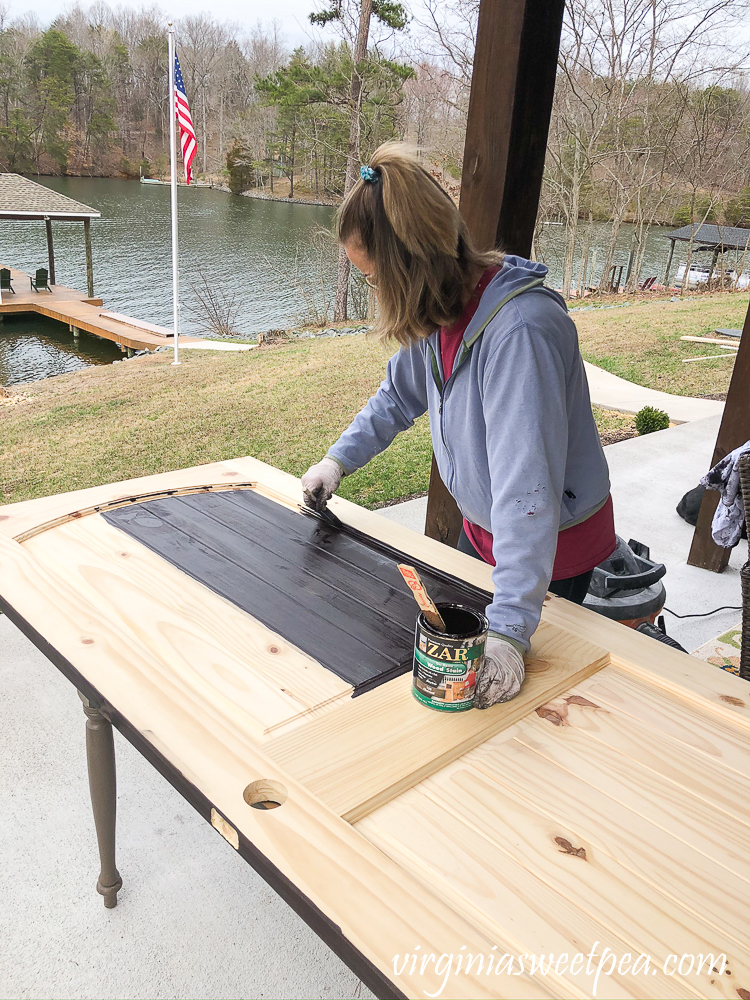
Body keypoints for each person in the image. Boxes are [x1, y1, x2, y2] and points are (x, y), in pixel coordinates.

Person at [302, 142, 615, 708]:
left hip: (552, 544)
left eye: (373, 280)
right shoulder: (439, 312)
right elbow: (398, 394)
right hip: (486, 530)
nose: (374, 295)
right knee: (460, 676)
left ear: (409, 269)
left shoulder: (521, 332)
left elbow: (528, 493)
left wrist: (512, 630)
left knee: (525, 710)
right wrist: (337, 460)